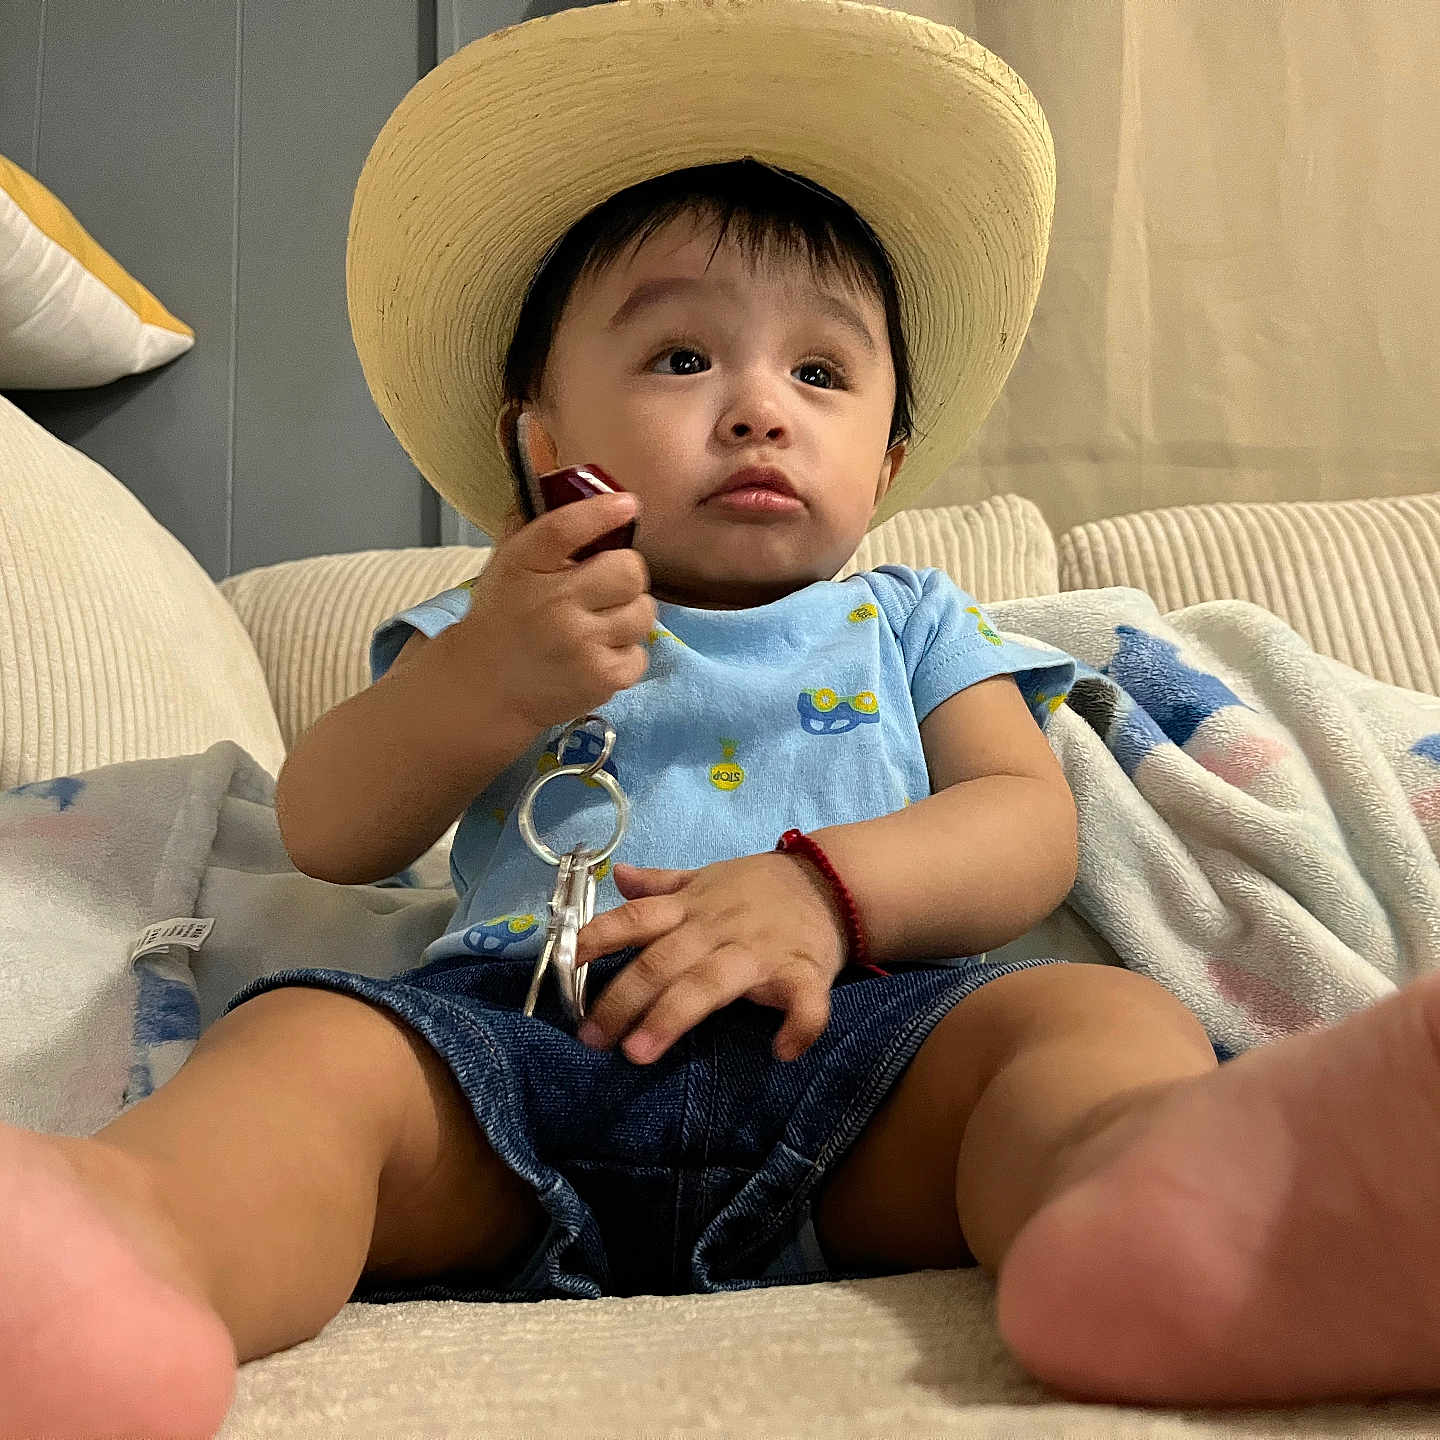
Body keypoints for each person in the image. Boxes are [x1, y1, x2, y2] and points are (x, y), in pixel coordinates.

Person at [4, 3, 1440, 1437]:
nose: (759, 408)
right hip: (513, 1052)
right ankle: (132, 1241)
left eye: (820, 374)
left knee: (1088, 1022)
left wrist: (827, 892)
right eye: (682, 359)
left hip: (868, 1057)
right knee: (309, 1053)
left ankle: (1163, 1213)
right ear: (547, 445)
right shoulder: (499, 615)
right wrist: (485, 680)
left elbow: (1026, 830)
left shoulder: (922, 621)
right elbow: (326, 829)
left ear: (880, 463)